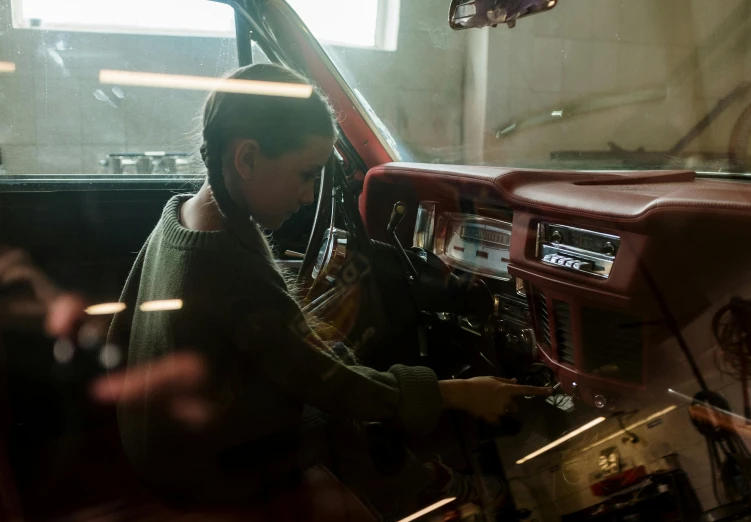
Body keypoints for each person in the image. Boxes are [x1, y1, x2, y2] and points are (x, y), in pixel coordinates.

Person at [106, 63, 551, 514]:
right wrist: (458, 391)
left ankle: (425, 480)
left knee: (336, 378)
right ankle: (431, 488)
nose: (308, 195)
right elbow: (331, 384)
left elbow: (122, 330)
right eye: (306, 174)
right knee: (342, 408)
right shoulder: (229, 266)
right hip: (208, 472)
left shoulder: (181, 217)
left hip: (161, 445)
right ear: (247, 158)